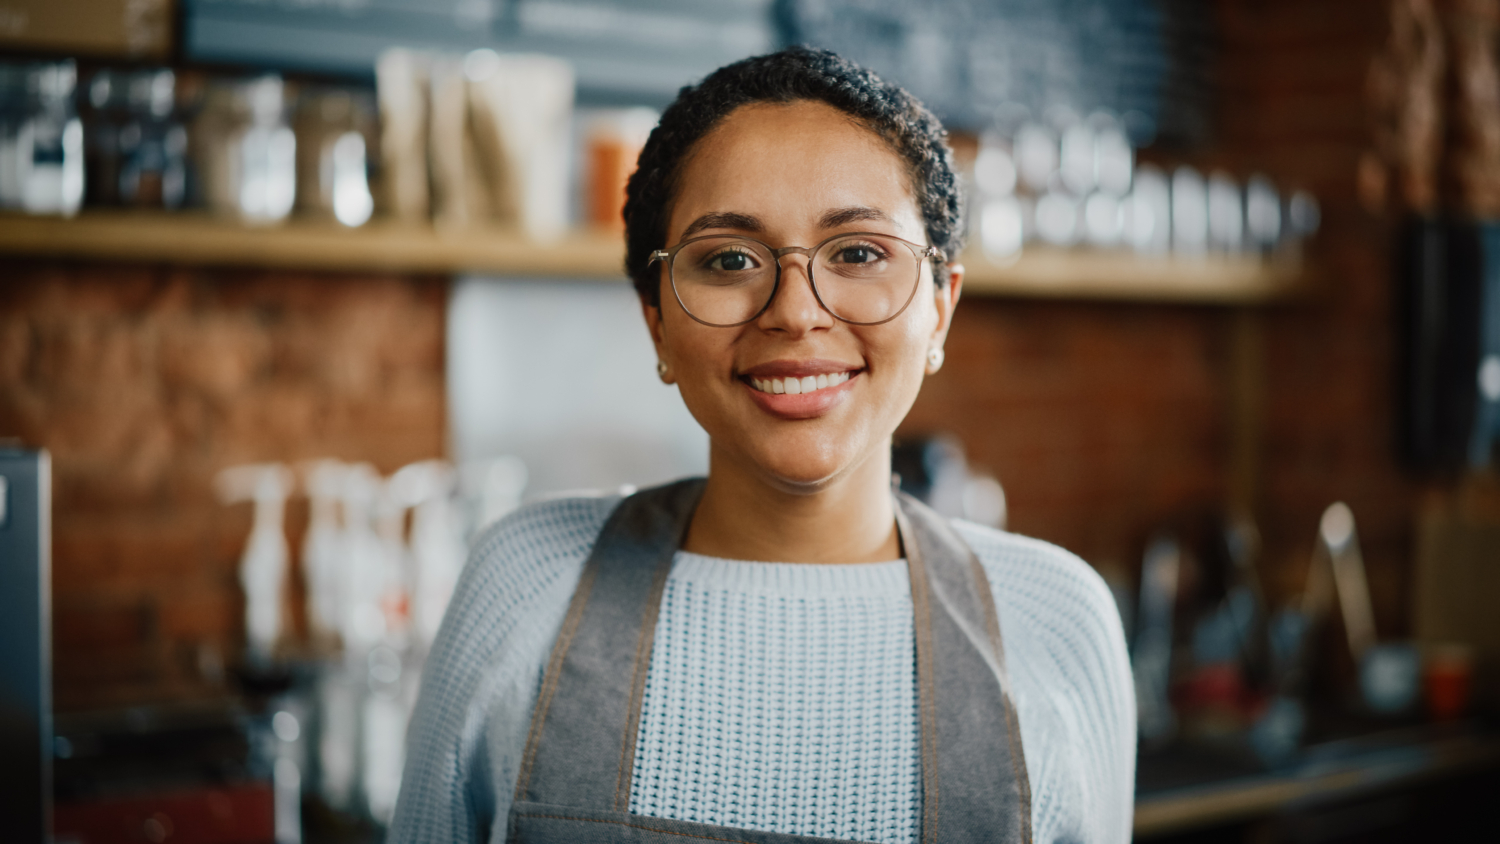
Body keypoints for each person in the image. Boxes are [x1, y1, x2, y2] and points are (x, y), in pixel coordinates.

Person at [390, 47, 1134, 844]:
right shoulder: (525, 583)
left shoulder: (1055, 621)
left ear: (940, 311)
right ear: (659, 326)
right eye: (730, 259)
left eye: (857, 252)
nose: (794, 313)